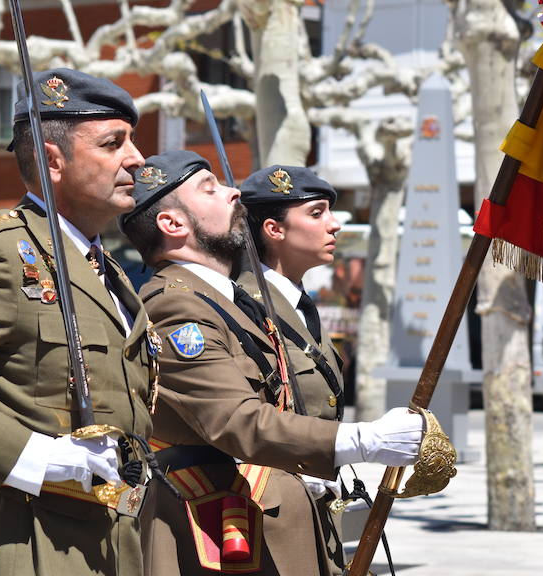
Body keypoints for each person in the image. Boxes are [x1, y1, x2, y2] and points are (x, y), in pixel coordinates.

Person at [118, 150, 425, 576]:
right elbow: (235, 420)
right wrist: (363, 439)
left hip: (270, 519)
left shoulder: (230, 300)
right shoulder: (176, 305)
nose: (233, 192)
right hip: (217, 533)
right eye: (210, 188)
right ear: (173, 225)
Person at [0, 68, 155, 576]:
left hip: (115, 545)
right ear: (53, 160)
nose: (138, 159)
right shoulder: (3, 254)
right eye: (112, 143)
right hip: (34, 545)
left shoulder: (110, 272)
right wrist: (32, 458)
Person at [236, 165, 348, 575]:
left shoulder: (299, 304)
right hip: (269, 519)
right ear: (274, 229)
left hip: (317, 510)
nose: (334, 225)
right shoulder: (243, 307)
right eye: (317, 213)